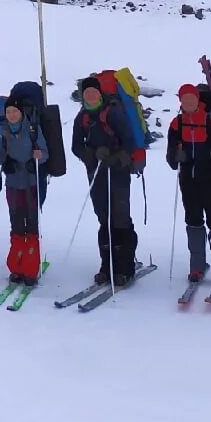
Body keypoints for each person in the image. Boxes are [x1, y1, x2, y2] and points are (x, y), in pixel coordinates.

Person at [70, 77, 142, 286]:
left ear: (99, 93)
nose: (90, 96)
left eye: (93, 92)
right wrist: (89, 155)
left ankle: (125, 268)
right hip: (96, 173)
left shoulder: (113, 113)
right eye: (86, 93)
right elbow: (76, 146)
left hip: (118, 172)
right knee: (104, 219)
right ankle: (106, 266)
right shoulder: (82, 117)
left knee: (120, 218)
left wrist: (113, 157)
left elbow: (129, 142)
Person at [166, 83, 211, 285]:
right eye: (184, 99)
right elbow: (171, 158)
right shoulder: (176, 124)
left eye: (191, 99)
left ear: (197, 100)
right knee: (193, 221)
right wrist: (176, 156)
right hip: (188, 180)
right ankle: (196, 267)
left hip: (210, 179)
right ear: (181, 101)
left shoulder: (210, 120)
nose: (188, 102)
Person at [0, 95, 47, 286]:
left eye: (15, 111)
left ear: (21, 113)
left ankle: (30, 269)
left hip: (31, 183)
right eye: (8, 112)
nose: (12, 115)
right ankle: (16, 267)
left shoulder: (32, 129)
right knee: (16, 224)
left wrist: (39, 156)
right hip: (13, 184)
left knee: (31, 225)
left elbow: (45, 154)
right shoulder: (3, 131)